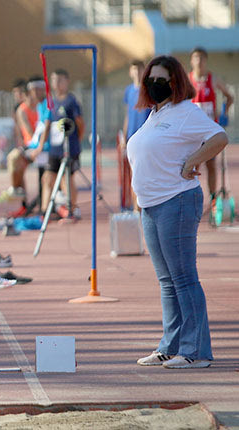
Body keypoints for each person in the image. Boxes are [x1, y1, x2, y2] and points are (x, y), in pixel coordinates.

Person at [127, 55, 227, 369]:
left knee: (184, 278)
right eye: (150, 81)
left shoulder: (184, 111)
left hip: (177, 201)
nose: (154, 86)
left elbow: (219, 137)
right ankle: (170, 346)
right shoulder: (154, 114)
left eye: (161, 81)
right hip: (151, 206)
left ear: (175, 83)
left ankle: (196, 351)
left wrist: (192, 160)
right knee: (167, 281)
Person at [188, 47, 234, 207]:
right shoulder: (188, 80)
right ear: (191, 61)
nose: (199, 62)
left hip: (209, 130)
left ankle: (214, 200)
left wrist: (224, 113)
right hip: (193, 132)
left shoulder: (213, 79)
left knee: (211, 165)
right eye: (196, 58)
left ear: (206, 61)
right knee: (193, 165)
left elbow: (230, 96)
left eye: (202, 58)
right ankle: (193, 198)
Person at [2, 78, 51, 216]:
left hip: (40, 147)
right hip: (31, 145)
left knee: (44, 173)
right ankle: (19, 193)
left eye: (18, 93)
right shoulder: (20, 109)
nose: (16, 96)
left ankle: (43, 204)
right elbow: (24, 131)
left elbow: (41, 128)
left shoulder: (42, 106)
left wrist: (38, 146)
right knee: (16, 162)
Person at [42, 69, 84, 218]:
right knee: (48, 178)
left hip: (69, 148)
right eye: (54, 80)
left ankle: (72, 210)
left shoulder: (71, 101)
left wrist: (76, 142)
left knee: (67, 179)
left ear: (67, 81)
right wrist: (41, 146)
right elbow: (47, 124)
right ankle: (45, 212)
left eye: (60, 80)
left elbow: (80, 123)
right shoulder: (51, 101)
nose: (57, 84)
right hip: (54, 148)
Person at [121, 60, 150, 211]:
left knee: (147, 173)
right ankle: (135, 208)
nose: (137, 72)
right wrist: (124, 135)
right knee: (134, 175)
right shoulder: (128, 91)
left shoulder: (148, 90)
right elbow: (128, 114)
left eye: (139, 69)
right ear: (130, 72)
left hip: (146, 137)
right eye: (134, 69)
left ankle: (145, 206)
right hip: (132, 138)